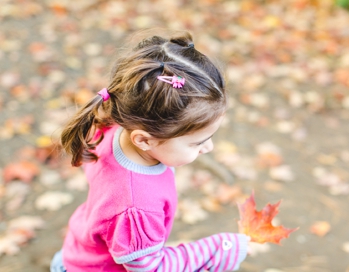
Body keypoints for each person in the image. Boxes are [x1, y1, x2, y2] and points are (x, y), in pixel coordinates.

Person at [51, 31, 249, 272]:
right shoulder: (135, 205)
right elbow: (149, 267)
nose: (209, 148)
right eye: (197, 143)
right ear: (144, 140)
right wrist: (218, 249)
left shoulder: (114, 126)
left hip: (80, 252)